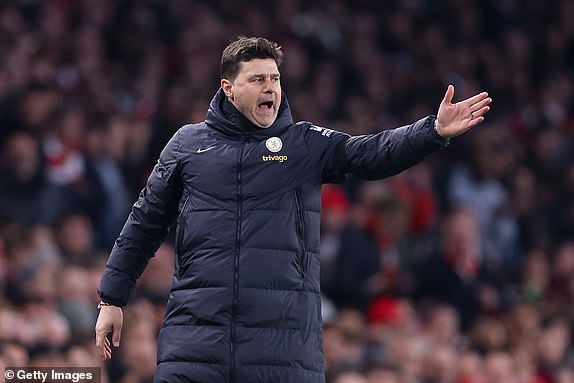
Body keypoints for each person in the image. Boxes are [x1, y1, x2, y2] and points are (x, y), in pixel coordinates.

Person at [95, 36, 492, 383]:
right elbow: (143, 224)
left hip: (283, 351)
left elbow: (371, 154)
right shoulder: (187, 145)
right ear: (229, 89)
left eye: (275, 79)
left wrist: (431, 132)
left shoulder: (304, 144)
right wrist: (112, 299)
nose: (271, 88)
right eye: (258, 79)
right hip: (196, 348)